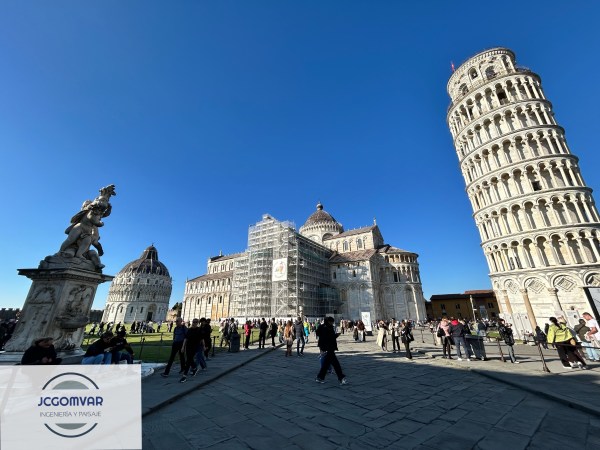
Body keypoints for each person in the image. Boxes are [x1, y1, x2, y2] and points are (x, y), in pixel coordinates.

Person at [315, 317, 348, 385]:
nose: (332, 323)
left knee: (326, 365)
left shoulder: (324, 327)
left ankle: (320, 377)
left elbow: (320, 335)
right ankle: (341, 378)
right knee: (336, 365)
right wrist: (336, 335)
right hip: (329, 348)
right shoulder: (326, 328)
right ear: (329, 321)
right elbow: (329, 338)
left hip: (328, 348)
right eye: (332, 322)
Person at [180, 318, 203, 383]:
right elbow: (185, 339)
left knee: (188, 360)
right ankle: (195, 368)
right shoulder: (189, 330)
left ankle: (184, 376)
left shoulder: (199, 330)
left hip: (195, 347)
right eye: (193, 322)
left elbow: (202, 339)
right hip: (188, 347)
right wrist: (183, 347)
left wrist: (204, 346)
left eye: (196, 322)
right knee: (190, 359)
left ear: (198, 323)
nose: (194, 323)